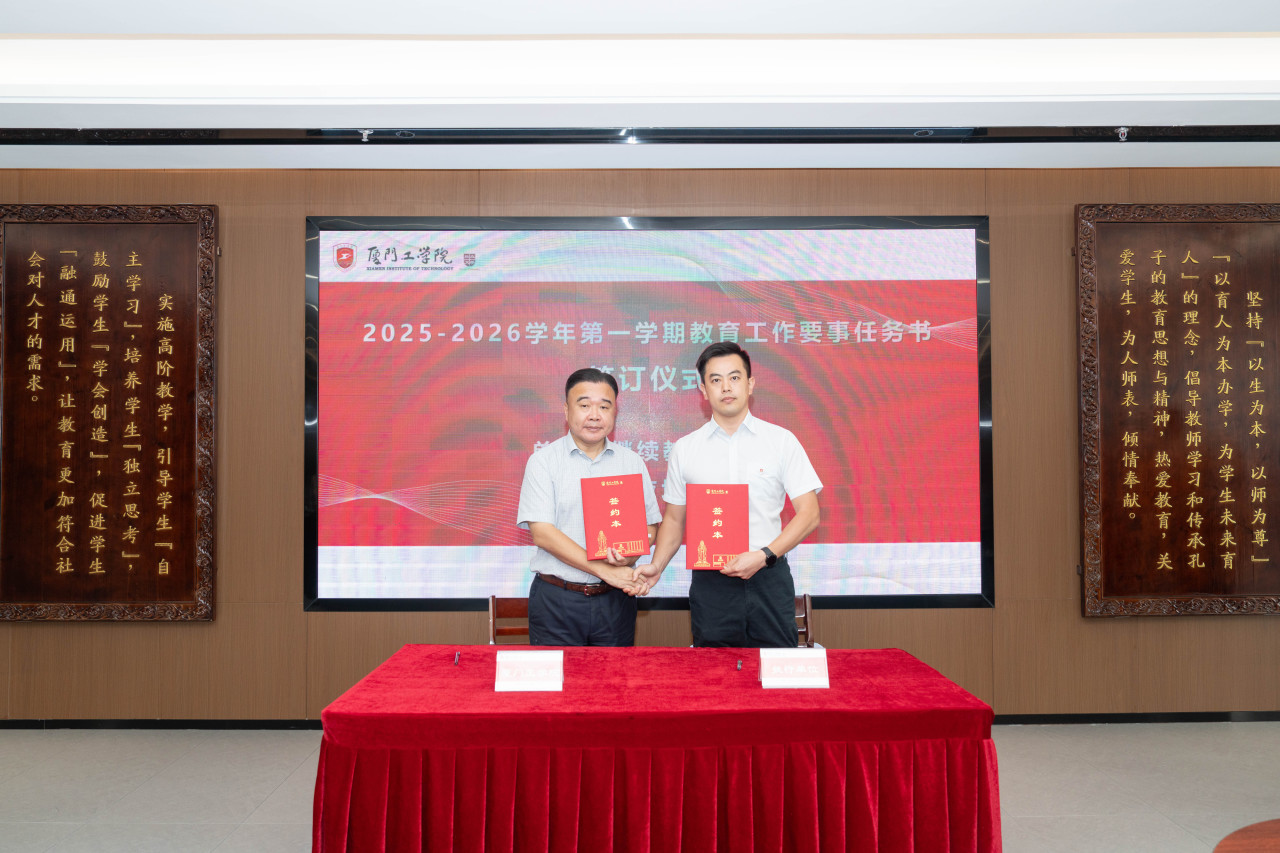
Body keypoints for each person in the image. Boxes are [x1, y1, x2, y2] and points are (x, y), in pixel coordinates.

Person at [635, 342, 821, 647]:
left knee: (775, 666)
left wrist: (764, 555)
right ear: (703, 390)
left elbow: (810, 513)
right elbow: (674, 520)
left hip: (768, 575)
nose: (726, 387)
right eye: (715, 379)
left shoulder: (781, 441)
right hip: (712, 583)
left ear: (750, 384)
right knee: (713, 670)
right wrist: (657, 565)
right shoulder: (686, 449)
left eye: (734, 378)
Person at [517, 367, 661, 646]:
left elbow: (651, 527)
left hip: (615, 600)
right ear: (566, 410)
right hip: (557, 601)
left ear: (615, 412)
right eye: (584, 405)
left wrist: (628, 557)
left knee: (614, 675)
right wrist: (604, 570)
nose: (595, 415)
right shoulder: (543, 462)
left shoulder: (631, 462)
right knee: (557, 675)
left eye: (604, 407)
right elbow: (543, 534)